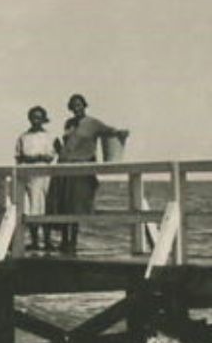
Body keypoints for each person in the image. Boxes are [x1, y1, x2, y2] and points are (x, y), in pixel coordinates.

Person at [46, 93, 128, 255]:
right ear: (70, 107)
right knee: (62, 204)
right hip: (64, 166)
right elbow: (68, 146)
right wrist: (58, 148)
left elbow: (111, 132)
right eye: (73, 105)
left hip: (81, 168)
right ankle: (63, 240)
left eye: (79, 104)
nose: (76, 108)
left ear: (84, 106)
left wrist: (121, 134)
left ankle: (73, 242)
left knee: (76, 205)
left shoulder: (93, 123)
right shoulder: (68, 123)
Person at [15, 106, 56, 252]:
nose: (36, 120)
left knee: (45, 207)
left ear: (43, 119)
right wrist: (29, 159)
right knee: (32, 207)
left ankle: (47, 240)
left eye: (39, 117)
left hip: (45, 175)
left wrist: (41, 158)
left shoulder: (49, 136)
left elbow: (52, 155)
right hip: (29, 176)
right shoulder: (23, 137)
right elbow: (18, 157)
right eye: (33, 117)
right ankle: (34, 241)